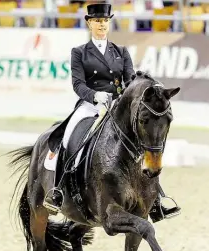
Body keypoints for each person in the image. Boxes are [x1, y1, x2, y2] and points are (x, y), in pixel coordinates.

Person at [44, 3, 181, 222]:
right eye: (98, 21)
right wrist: (94, 95)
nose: (102, 25)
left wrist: (125, 96)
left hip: (116, 107)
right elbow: (78, 84)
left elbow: (130, 81)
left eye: (105, 21)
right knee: (68, 137)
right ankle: (58, 191)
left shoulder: (121, 52)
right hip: (90, 106)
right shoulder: (79, 53)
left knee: (141, 141)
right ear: (90, 23)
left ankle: (155, 200)